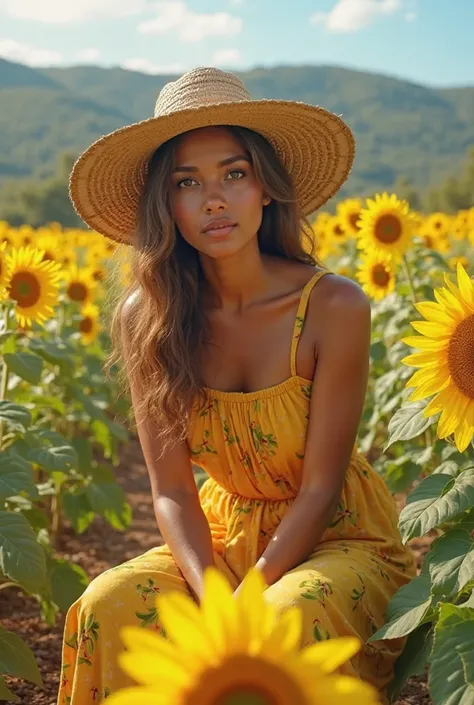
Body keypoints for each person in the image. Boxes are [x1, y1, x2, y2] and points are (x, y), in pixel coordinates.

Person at [58, 66, 416, 705]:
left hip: (335, 536)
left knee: (278, 624)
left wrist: (249, 597)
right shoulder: (147, 316)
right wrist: (213, 592)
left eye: (234, 173)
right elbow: (169, 490)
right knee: (106, 605)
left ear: (266, 189)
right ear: (164, 205)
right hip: (221, 543)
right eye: (186, 183)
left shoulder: (333, 305)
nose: (213, 199)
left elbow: (320, 486)